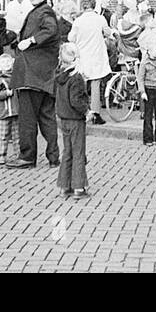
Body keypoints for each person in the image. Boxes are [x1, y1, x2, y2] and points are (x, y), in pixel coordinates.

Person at [7, 0, 60, 169]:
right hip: (43, 76)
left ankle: (27, 156)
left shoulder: (44, 12)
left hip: (32, 75)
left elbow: (50, 30)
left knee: (28, 118)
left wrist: (29, 41)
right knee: (46, 116)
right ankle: (54, 157)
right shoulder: (41, 11)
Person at [54, 42, 91, 198]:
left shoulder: (60, 75)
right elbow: (76, 101)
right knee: (78, 152)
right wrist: (87, 111)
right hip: (75, 120)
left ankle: (64, 186)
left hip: (63, 118)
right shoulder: (75, 78)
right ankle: (78, 187)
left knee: (67, 152)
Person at [68, 0, 111, 125]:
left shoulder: (78, 21)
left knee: (81, 84)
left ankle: (81, 111)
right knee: (95, 84)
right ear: (94, 6)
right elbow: (108, 33)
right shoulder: (100, 19)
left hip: (83, 55)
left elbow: (71, 38)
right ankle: (96, 114)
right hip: (97, 55)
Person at [0, 52, 18, 163]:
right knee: (3, 135)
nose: (6, 64)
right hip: (4, 112)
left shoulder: (17, 78)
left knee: (17, 136)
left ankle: (18, 154)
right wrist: (6, 93)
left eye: (8, 62)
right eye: (3, 63)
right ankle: (1, 155)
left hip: (16, 111)